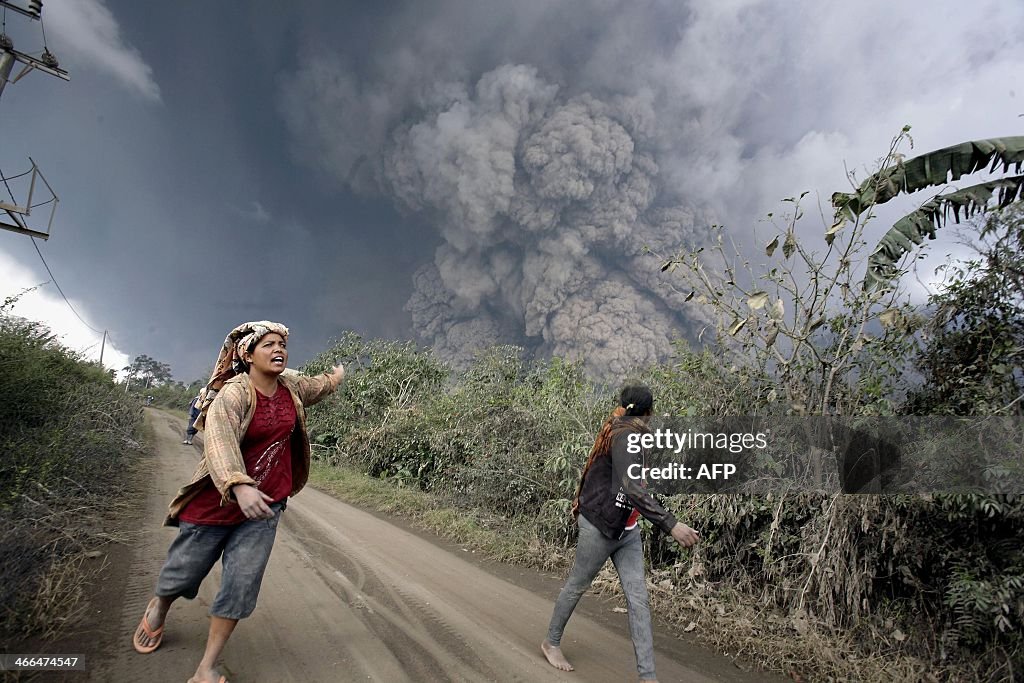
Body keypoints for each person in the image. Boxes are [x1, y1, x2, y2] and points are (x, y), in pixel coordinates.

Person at [131, 321, 344, 683]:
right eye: (269, 345)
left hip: (265, 507)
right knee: (183, 571)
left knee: (242, 583)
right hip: (215, 505)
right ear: (247, 354)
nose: (279, 350)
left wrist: (336, 376)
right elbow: (218, 442)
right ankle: (159, 606)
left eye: (282, 344)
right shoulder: (233, 394)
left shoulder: (290, 387)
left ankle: (207, 667)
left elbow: (317, 386)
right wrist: (239, 484)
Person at [542, 385, 699, 683]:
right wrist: (671, 524)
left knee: (638, 599)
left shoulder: (633, 434)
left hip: (627, 530)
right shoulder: (624, 437)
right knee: (577, 585)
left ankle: (648, 677)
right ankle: (550, 642)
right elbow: (631, 486)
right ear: (649, 413)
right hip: (599, 526)